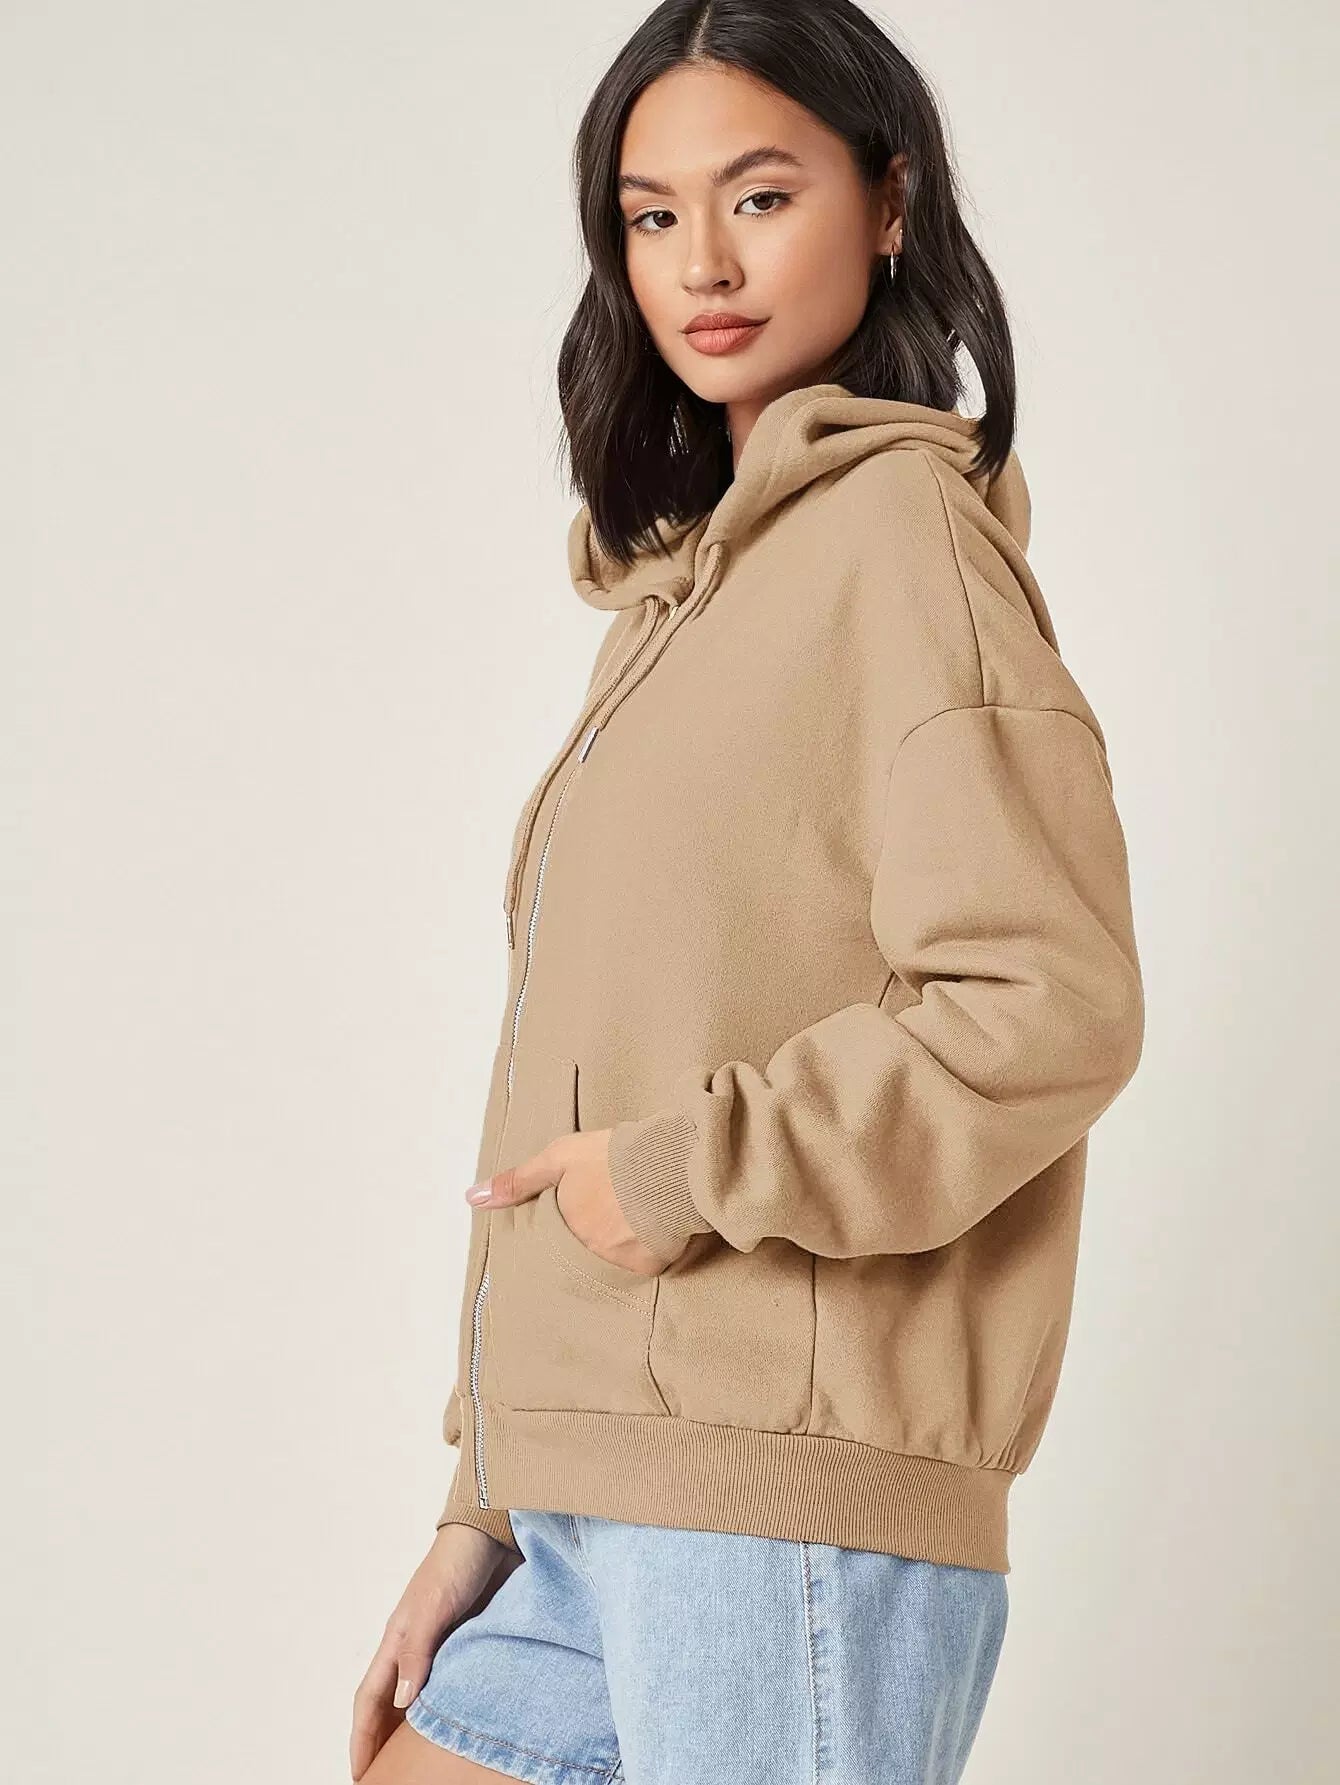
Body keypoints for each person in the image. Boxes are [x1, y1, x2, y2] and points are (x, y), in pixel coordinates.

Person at [351, 2, 1145, 1780]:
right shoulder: (687, 597)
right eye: (652, 215)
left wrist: (681, 1171)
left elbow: (1045, 1002)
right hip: (594, 1488)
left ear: (890, 200)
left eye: (761, 196)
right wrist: (484, 1500)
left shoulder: (905, 548)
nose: (701, 263)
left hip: (783, 1509)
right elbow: (597, 1040)